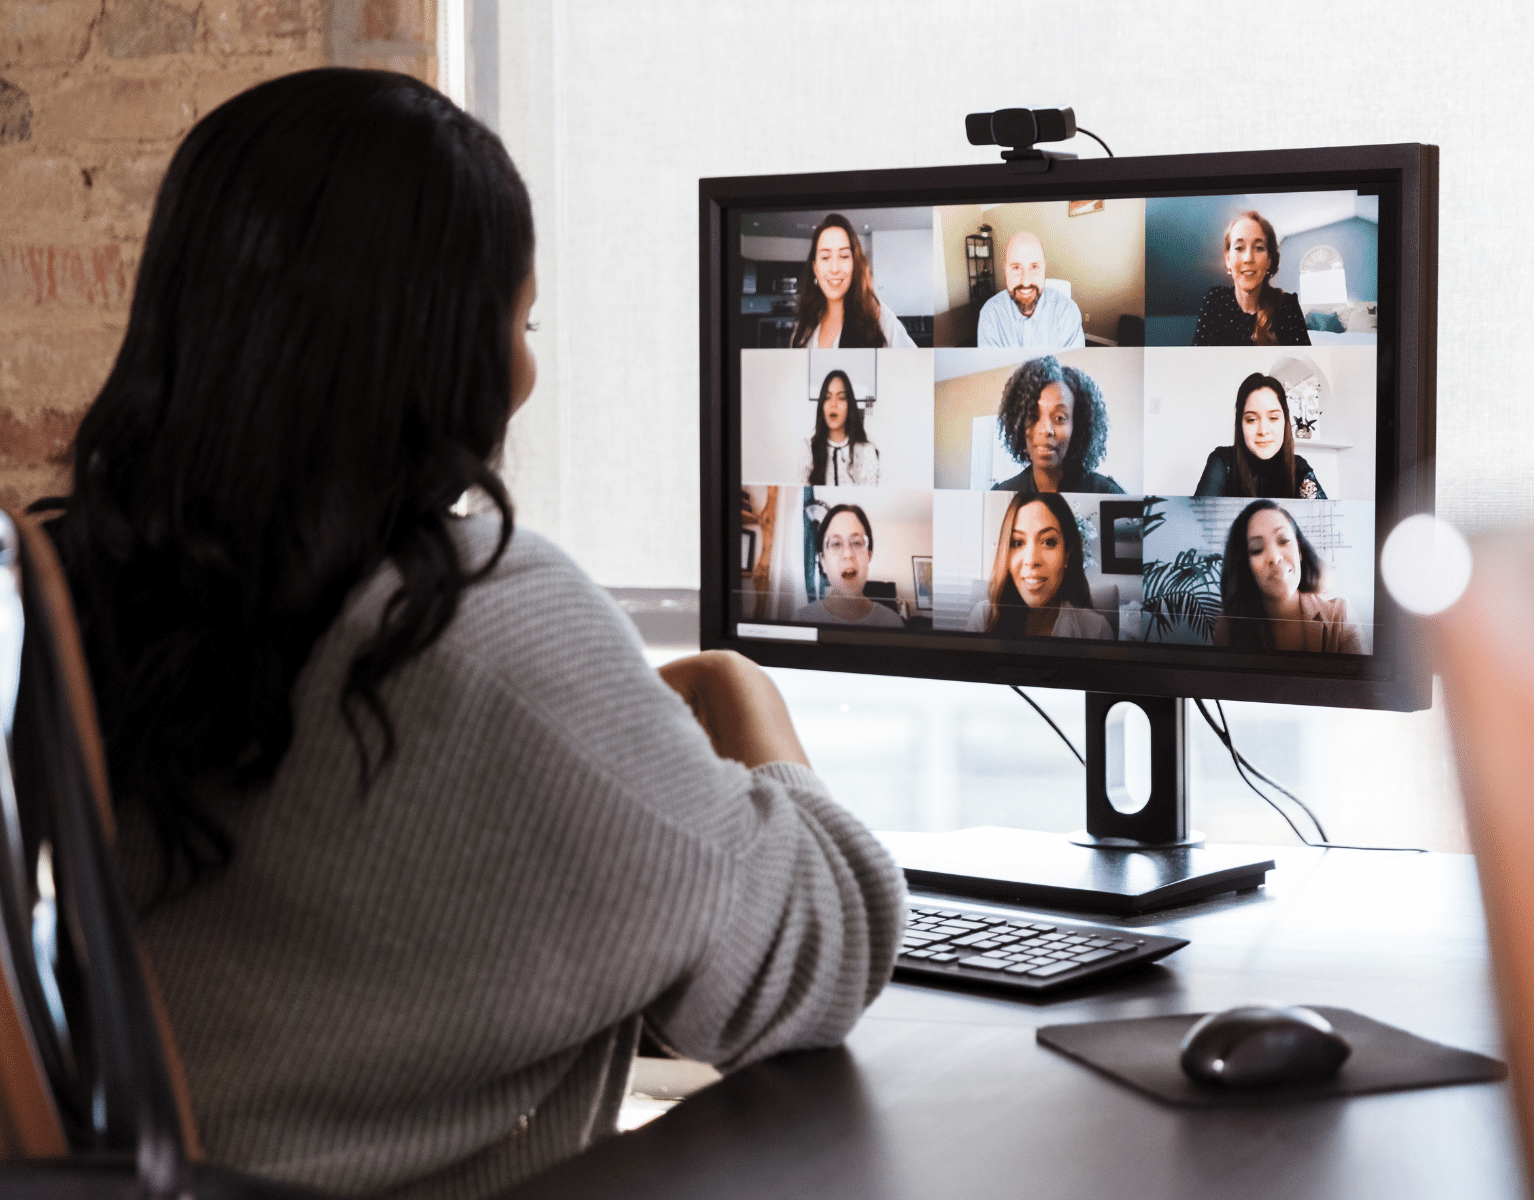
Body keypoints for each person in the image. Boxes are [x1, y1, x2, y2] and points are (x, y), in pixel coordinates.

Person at [32, 69, 905, 1200]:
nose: (529, 370)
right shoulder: (478, 618)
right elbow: (820, 951)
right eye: (522, 319)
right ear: (441, 343)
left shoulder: (98, 589)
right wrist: (747, 704)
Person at [1213, 500, 1365, 653]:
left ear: (1299, 550)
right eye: (1256, 549)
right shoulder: (1228, 625)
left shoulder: (1340, 617)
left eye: (1284, 540)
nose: (1274, 556)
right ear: (1245, 565)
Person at [966, 492, 1112, 639]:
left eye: (1048, 542)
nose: (1031, 560)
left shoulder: (1096, 630)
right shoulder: (984, 618)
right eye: (1018, 543)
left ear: (1067, 554)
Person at [989, 355, 1123, 495]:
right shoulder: (1002, 493)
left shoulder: (1107, 494)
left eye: (1059, 418)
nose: (1046, 430)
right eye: (1033, 416)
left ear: (1076, 426)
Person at [789, 213, 915, 349]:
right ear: (815, 268)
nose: (835, 269)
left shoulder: (877, 317)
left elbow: (917, 365)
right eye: (825, 257)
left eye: (844, 256)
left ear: (854, 264)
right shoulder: (804, 325)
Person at [1194, 372, 1327, 499]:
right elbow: (1198, 517)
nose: (1263, 431)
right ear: (1240, 424)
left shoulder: (1299, 468)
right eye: (1251, 419)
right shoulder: (1222, 462)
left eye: (1273, 418)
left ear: (1285, 421)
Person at [1190, 211, 1312, 346]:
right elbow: (1200, 361)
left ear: (1269, 261)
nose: (1248, 258)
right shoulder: (1215, 300)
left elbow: (1300, 364)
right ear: (1227, 259)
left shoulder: (1287, 306)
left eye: (1259, 248)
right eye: (1239, 248)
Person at [793, 504, 904, 627]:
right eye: (836, 544)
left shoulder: (893, 622)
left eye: (856, 543)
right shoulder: (801, 620)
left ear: (869, 555)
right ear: (823, 561)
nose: (847, 554)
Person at [976, 230, 1084, 349]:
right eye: (1016, 268)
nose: (1026, 281)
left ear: (1044, 268)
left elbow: (1071, 366)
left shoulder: (1068, 313)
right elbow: (991, 366)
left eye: (1034, 267)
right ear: (1006, 270)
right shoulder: (991, 314)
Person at [799, 369, 880, 485]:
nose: (833, 404)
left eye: (841, 398)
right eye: (827, 397)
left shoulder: (866, 451)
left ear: (849, 405)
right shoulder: (807, 448)